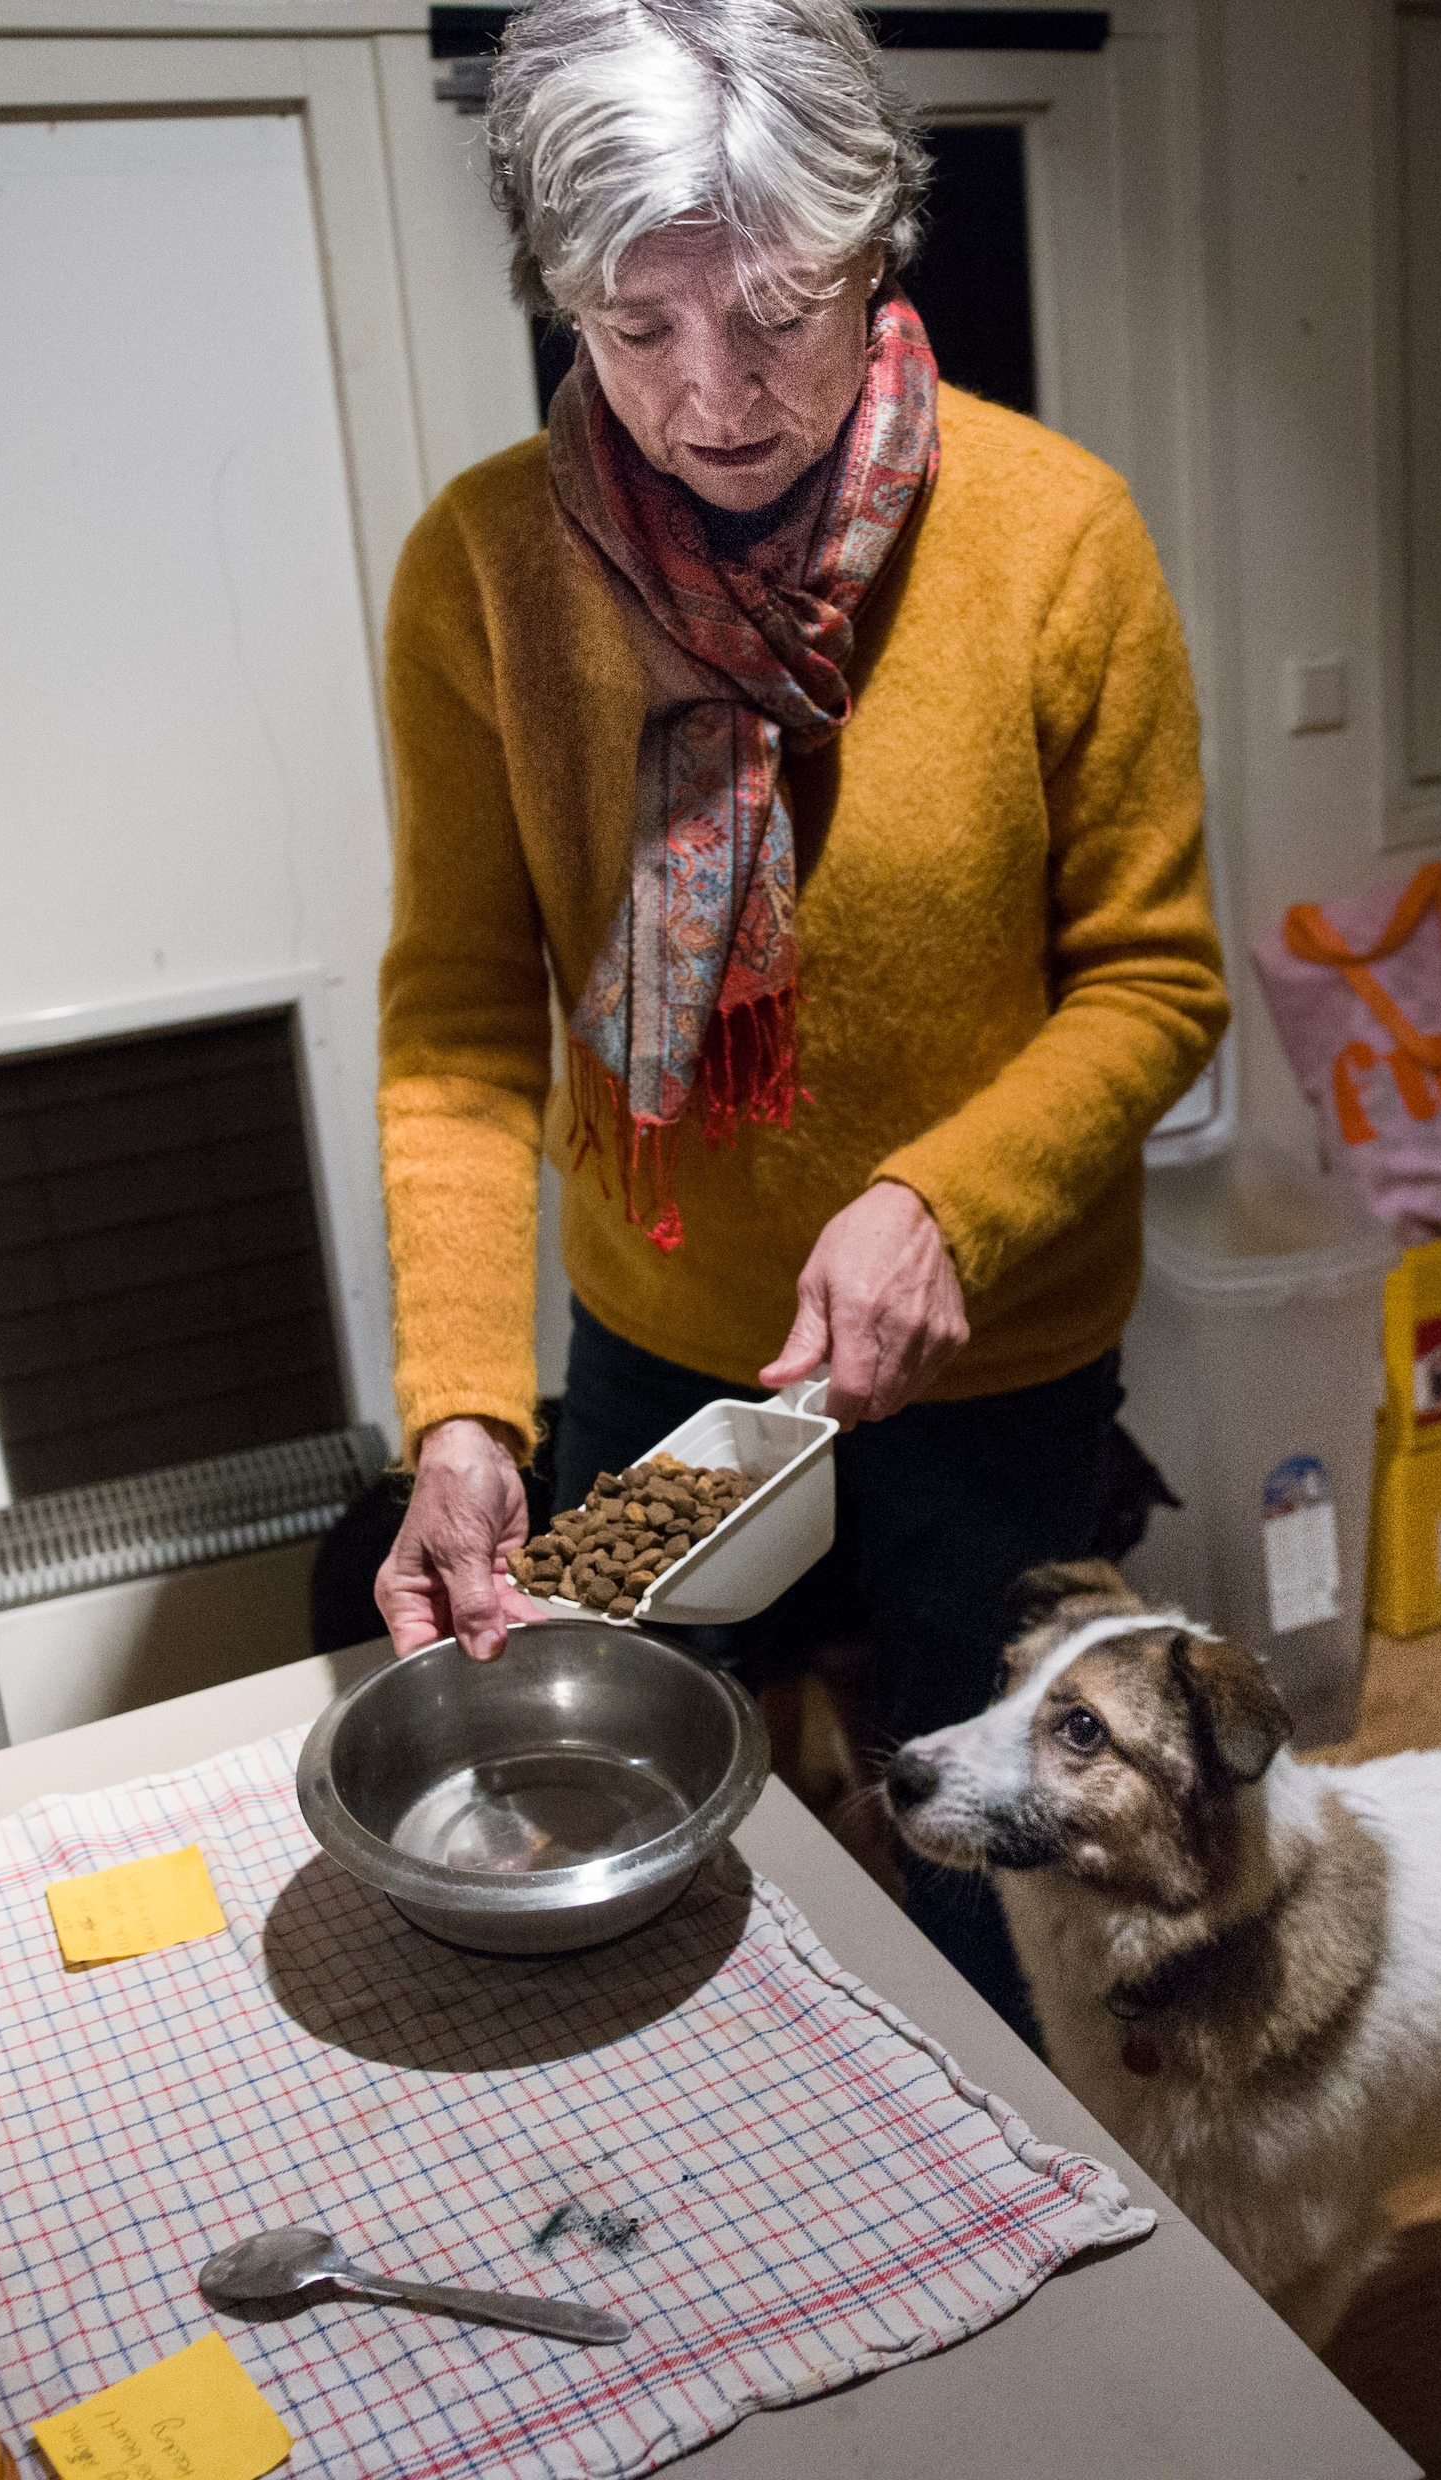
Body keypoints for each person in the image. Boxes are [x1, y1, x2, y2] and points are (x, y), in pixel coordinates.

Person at [369, 0, 1226, 2034]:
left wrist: (945, 1202)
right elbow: (462, 1029)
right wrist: (464, 1408)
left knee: (989, 1875)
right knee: (621, 1796)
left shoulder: (1057, 539)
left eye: (772, 314)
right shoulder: (482, 574)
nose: (713, 395)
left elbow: (1157, 977)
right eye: (636, 327)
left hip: (996, 1365)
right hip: (657, 1348)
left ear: (876, 250)